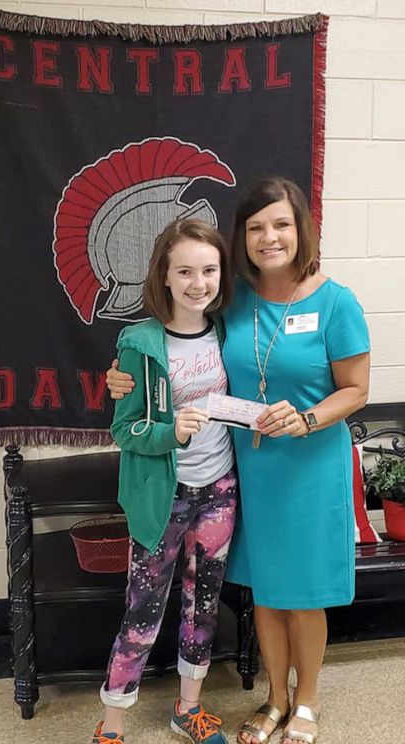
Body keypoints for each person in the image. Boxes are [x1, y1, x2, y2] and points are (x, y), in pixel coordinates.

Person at [106, 177, 371, 744]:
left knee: (306, 590)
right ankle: (274, 699)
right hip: (249, 469)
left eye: (280, 224)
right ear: (241, 239)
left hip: (310, 463)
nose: (268, 237)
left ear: (302, 229)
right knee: (269, 590)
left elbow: (356, 390)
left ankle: (308, 701)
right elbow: (177, 347)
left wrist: (306, 419)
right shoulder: (235, 300)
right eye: (255, 228)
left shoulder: (337, 302)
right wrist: (122, 376)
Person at [93, 218, 239, 744]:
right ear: (165, 276)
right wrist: (169, 432)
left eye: (208, 269)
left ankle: (188, 709)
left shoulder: (226, 329)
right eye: (185, 271)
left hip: (219, 489)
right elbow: (123, 428)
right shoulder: (139, 342)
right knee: (143, 611)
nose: (198, 282)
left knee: (204, 603)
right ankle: (111, 727)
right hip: (163, 497)